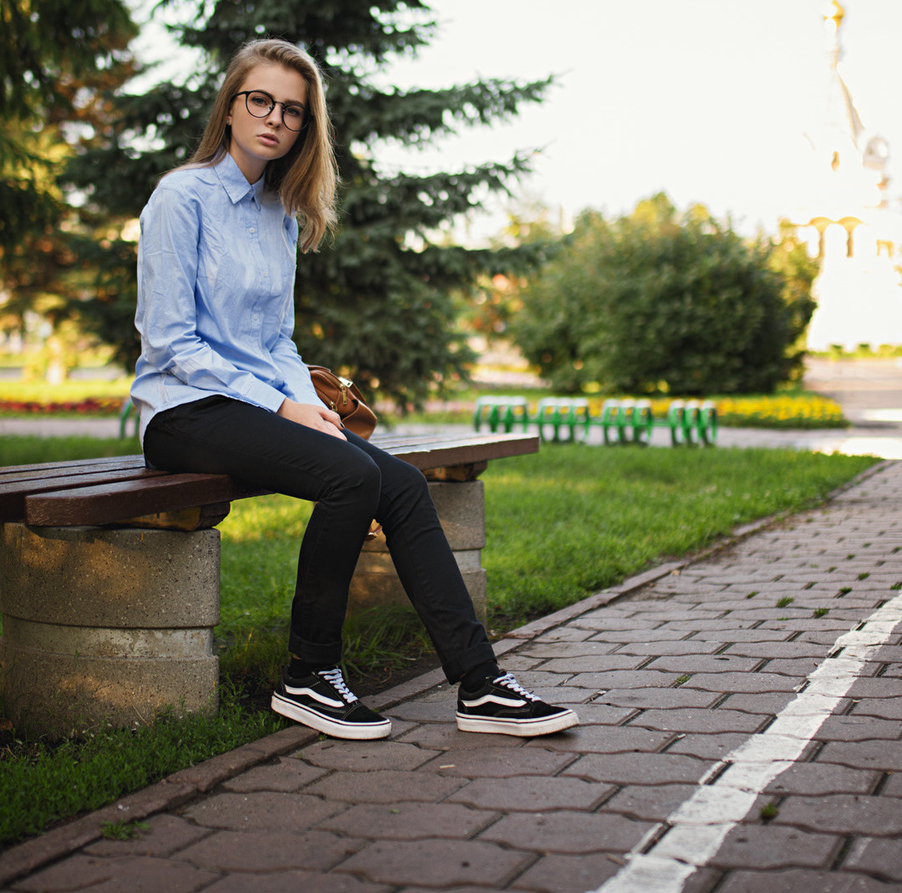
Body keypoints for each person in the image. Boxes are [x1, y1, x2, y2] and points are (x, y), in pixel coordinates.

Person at [130, 39, 577, 741]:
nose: (275, 118)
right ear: (232, 105)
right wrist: (280, 405)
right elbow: (169, 344)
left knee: (395, 482)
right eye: (261, 101)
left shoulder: (279, 211)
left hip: (256, 407)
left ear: (306, 127)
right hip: (183, 411)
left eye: (293, 111)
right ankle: (309, 674)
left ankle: (481, 683)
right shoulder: (181, 198)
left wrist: (300, 402)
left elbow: (277, 340)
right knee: (348, 477)